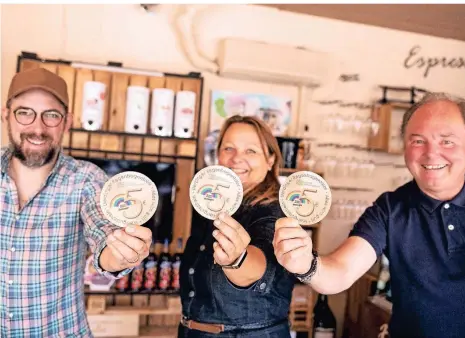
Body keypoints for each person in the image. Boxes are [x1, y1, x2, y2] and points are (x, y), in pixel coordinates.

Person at [273, 92, 465, 338]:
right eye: (418, 141)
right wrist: (307, 264)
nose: (431, 153)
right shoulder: (390, 208)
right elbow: (341, 271)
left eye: (447, 141)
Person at [0, 67, 153, 337]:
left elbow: (103, 229)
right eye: (24, 112)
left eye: (51, 115)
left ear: (67, 122)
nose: (37, 127)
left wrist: (119, 253)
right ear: (5, 115)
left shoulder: (86, 179)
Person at [179, 115, 296, 337]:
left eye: (250, 151)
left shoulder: (274, 211)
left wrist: (238, 259)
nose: (236, 159)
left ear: (270, 159)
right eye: (228, 148)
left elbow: (262, 267)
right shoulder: (213, 205)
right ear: (218, 155)